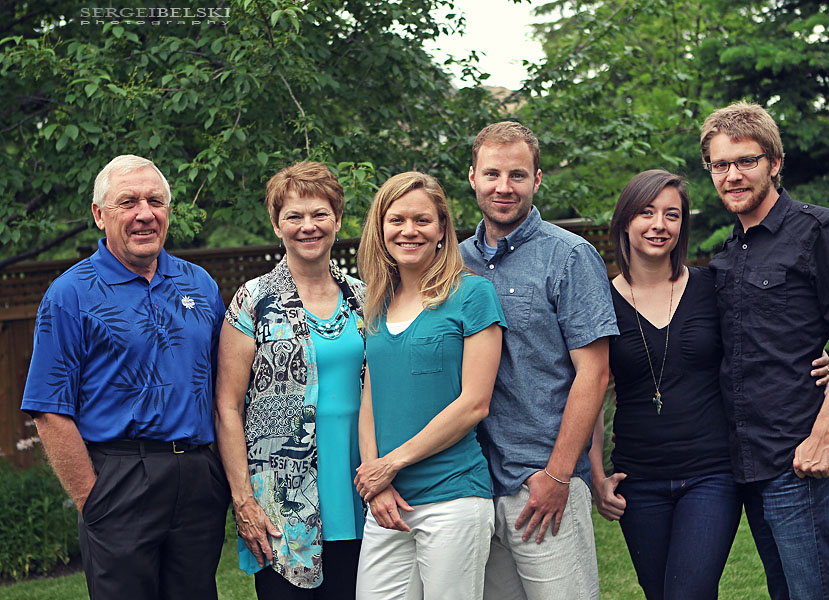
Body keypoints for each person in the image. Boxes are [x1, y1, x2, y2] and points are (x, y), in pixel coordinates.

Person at [590, 170, 829, 600]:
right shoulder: (597, 300)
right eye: (646, 213)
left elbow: (761, 339)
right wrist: (596, 474)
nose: (659, 225)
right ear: (625, 220)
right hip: (638, 478)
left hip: (711, 472)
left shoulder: (710, 285)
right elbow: (589, 387)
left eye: (672, 214)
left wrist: (813, 356)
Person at [20, 155, 229, 600]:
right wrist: (92, 501)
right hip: (119, 476)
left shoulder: (200, 285)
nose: (145, 214)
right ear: (99, 215)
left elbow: (224, 390)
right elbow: (47, 409)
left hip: (196, 476)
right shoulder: (70, 294)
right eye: (128, 202)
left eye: (156, 201)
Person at [701, 102, 829, 599]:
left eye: (746, 161)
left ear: (774, 163)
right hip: (747, 459)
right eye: (720, 165)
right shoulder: (725, 254)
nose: (732, 175)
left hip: (799, 457)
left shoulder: (818, 230)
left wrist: (822, 437)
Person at [459, 121, 618, 599]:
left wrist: (558, 475)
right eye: (491, 174)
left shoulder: (569, 256)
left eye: (517, 175)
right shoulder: (453, 262)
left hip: (541, 483)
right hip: (473, 481)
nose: (503, 187)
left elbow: (595, 372)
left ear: (538, 179)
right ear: (472, 178)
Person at [214, 162, 366, 600]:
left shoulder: (365, 297)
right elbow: (227, 406)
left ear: (337, 219)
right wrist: (243, 501)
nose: (308, 226)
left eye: (319, 214)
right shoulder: (254, 300)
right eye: (294, 216)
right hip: (283, 503)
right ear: (277, 224)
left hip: (362, 489)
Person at [354, 171, 505, 599]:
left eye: (422, 220)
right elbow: (371, 396)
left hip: (453, 497)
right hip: (386, 500)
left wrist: (392, 463)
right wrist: (374, 478)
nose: (409, 230)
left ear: (442, 230)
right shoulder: (378, 303)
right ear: (381, 229)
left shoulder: (472, 294)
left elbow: (475, 403)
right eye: (396, 220)